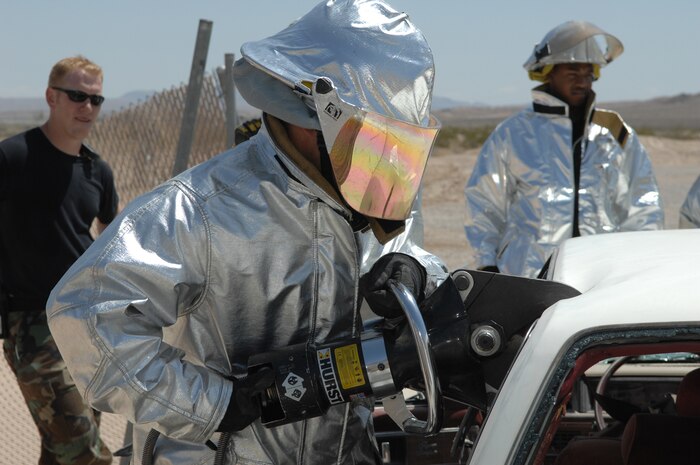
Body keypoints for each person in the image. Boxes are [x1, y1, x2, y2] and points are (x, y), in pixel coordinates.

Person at [47, 2, 446, 464]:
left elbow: (405, 248)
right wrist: (214, 404)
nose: (382, 163)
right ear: (312, 114)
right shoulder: (200, 207)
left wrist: (418, 270)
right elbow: (85, 313)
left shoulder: (369, 193)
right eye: (371, 142)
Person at [463, 20, 664, 278]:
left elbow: (643, 203)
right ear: (548, 72)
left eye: (588, 73)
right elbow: (484, 202)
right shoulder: (512, 134)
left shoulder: (614, 134)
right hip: (529, 276)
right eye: (572, 72)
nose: (582, 82)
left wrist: (640, 263)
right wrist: (487, 263)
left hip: (602, 276)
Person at [0, 56, 118, 464]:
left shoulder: (97, 171)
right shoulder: (12, 158)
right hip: (32, 328)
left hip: (87, 325)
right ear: (52, 97)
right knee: (85, 454)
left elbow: (112, 237)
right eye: (77, 96)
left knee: (59, 453)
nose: (87, 107)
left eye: (96, 99)